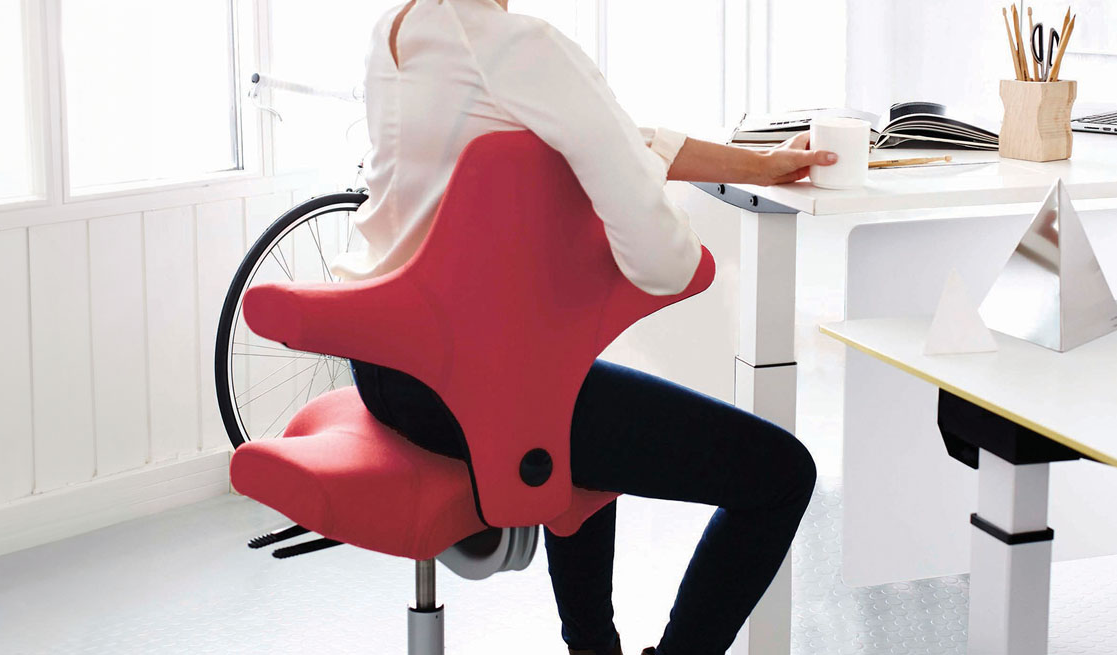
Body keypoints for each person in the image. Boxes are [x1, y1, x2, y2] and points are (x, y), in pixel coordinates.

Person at [334, 1, 828, 654]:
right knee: (780, 473)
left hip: (386, 367)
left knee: (582, 406)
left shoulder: (398, 31)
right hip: (477, 388)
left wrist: (759, 165)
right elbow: (661, 261)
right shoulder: (515, 44)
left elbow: (617, 134)